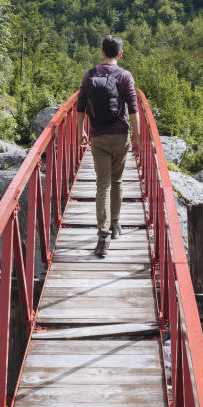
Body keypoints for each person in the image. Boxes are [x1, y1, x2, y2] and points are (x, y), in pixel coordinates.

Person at [76, 35, 140, 258]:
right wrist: (138, 136)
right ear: (120, 54)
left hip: (97, 137)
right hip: (120, 135)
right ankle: (116, 224)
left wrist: (81, 131)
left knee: (102, 185)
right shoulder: (125, 76)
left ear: (102, 52)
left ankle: (102, 238)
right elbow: (133, 108)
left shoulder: (90, 75)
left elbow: (80, 105)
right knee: (117, 180)